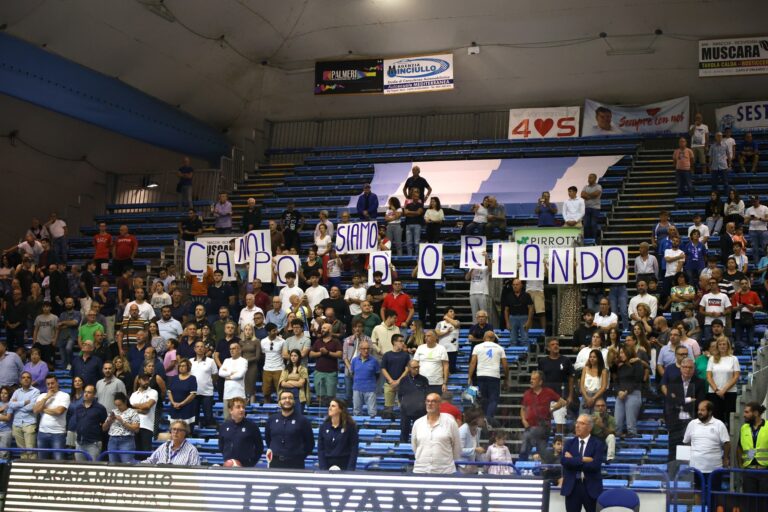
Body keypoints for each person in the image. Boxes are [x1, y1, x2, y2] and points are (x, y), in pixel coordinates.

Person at [665, 357, 707, 461]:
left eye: (690, 367)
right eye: (685, 367)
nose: (687, 370)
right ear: (681, 368)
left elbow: (699, 403)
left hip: (693, 421)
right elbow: (671, 403)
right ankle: (673, 475)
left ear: (694, 369)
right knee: (674, 452)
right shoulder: (673, 382)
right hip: (676, 422)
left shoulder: (700, 383)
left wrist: (679, 401)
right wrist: (689, 400)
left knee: (691, 452)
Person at [683, 400, 731, 492]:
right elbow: (686, 442)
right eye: (698, 410)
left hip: (714, 468)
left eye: (702, 410)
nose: (699, 412)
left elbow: (727, 443)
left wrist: (725, 459)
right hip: (696, 468)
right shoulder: (692, 424)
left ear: (710, 412)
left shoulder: (719, 424)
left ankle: (712, 507)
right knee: (697, 493)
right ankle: (699, 507)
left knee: (715, 494)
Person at [561, 414, 605, 512]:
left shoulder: (598, 444)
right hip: (572, 488)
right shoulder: (569, 443)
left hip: (591, 487)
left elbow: (595, 466)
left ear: (589, 428)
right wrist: (583, 459)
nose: (577, 425)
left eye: (582, 423)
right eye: (577, 422)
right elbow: (564, 461)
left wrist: (573, 460)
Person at [520, 370, 566, 460]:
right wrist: (523, 420)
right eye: (531, 379)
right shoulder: (527, 394)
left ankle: (527, 463)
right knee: (534, 450)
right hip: (530, 427)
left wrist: (552, 409)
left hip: (543, 428)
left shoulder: (548, 392)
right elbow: (523, 409)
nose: (531, 381)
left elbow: (563, 402)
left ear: (540, 382)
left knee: (527, 448)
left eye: (534, 379)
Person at [411, 393, 461, 474]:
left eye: (433, 401)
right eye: (428, 401)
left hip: (445, 471)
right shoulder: (418, 423)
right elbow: (414, 446)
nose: (430, 404)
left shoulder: (450, 423)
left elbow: (457, 447)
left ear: (439, 404)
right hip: (420, 470)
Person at [265, 390, 314, 469]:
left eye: (290, 398)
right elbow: (268, 440)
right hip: (275, 462)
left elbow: (310, 443)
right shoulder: (272, 420)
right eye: (284, 398)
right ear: (279, 402)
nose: (287, 400)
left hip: (296, 463)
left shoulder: (303, 421)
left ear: (294, 401)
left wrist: (299, 456)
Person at [468, 331, 508, 422]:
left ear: (483, 338)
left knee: (483, 399)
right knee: (493, 399)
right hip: (494, 376)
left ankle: (484, 419)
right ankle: (488, 418)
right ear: (494, 338)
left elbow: (473, 362)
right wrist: (506, 378)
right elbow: (505, 365)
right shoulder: (500, 348)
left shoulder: (477, 347)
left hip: (481, 376)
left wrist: (469, 376)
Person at [32, 375, 70, 460]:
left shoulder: (64, 395)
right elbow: (35, 410)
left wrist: (43, 409)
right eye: (48, 384)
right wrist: (46, 398)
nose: (50, 386)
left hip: (58, 433)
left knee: (58, 459)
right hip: (42, 433)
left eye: (52, 383)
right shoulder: (42, 396)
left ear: (57, 383)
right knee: (42, 460)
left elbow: (59, 411)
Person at [218, 397, 263, 467]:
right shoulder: (224, 426)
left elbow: (259, 447)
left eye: (243, 407)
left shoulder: (252, 426)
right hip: (228, 466)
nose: (242, 410)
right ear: (230, 410)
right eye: (238, 407)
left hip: (246, 466)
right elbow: (221, 446)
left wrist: (252, 462)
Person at [706, 336, 740, 426]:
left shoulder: (733, 359)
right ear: (717, 346)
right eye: (720, 344)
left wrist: (724, 390)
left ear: (728, 345)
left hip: (730, 392)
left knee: (730, 418)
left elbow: (736, 376)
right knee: (716, 418)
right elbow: (709, 377)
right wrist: (717, 390)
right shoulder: (712, 359)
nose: (722, 346)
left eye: (724, 344)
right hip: (714, 392)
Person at [317, 398, 359, 470]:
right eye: (329, 406)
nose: (330, 408)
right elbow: (321, 449)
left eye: (333, 406)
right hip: (327, 465)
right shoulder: (324, 427)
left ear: (340, 409)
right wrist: (323, 468)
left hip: (344, 465)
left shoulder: (350, 427)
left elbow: (354, 449)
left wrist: (350, 469)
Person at [737, 401, 768, 496]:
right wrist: (741, 466)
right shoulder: (744, 428)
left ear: (755, 413)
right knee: (750, 502)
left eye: (747, 412)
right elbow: (739, 448)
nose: (744, 415)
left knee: (764, 503)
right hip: (748, 471)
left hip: (765, 471)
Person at [614, 346, 644, 438]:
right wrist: (619, 391)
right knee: (617, 424)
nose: (621, 354)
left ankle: (633, 446)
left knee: (631, 425)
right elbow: (616, 381)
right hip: (621, 395)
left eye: (623, 352)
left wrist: (626, 391)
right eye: (620, 352)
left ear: (628, 352)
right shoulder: (619, 366)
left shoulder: (637, 363)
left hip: (633, 393)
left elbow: (637, 380)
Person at [8, 372, 40, 459]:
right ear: (20, 380)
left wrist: (17, 405)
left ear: (31, 380)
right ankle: (24, 470)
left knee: (31, 450)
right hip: (17, 424)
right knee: (22, 451)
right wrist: (24, 402)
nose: (26, 379)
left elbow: (31, 407)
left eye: (28, 377)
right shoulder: (16, 392)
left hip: (29, 423)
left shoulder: (36, 391)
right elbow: (10, 404)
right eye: (23, 377)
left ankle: (33, 470)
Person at [102, 391, 140, 463]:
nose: (118, 407)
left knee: (126, 464)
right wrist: (109, 420)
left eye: (120, 405)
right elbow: (104, 428)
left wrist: (122, 421)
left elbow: (136, 429)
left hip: (126, 441)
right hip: (112, 440)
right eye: (116, 405)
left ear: (125, 402)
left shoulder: (133, 412)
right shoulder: (113, 412)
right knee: (112, 464)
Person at [73, 384, 107, 461]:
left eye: (89, 392)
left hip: (93, 444)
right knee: (79, 469)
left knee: (93, 468)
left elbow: (104, 425)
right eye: (85, 392)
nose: (86, 394)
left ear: (94, 394)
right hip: (79, 443)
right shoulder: (79, 408)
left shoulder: (100, 408)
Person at [380, 335, 410, 419]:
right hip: (389, 384)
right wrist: (391, 381)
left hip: (402, 384)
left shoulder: (405, 355)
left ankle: (403, 424)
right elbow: (383, 369)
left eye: (403, 341)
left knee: (403, 406)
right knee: (388, 407)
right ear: (394, 342)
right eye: (400, 341)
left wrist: (398, 381)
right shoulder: (387, 355)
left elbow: (407, 369)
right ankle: (387, 426)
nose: (402, 343)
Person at [130, 373, 158, 456]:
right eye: (144, 379)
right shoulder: (133, 394)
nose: (146, 381)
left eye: (147, 379)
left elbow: (148, 406)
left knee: (146, 453)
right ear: (139, 381)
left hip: (147, 426)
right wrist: (142, 409)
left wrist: (134, 406)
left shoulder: (153, 392)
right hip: (134, 426)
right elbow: (129, 409)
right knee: (135, 453)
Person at [413, 330, 449, 395]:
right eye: (425, 336)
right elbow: (414, 364)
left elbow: (445, 366)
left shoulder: (441, 348)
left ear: (435, 337)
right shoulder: (420, 348)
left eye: (428, 336)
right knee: (421, 404)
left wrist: (445, 383)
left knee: (436, 404)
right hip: (421, 382)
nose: (426, 338)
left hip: (437, 383)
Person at [218, 341, 247, 421]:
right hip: (227, 394)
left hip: (239, 394)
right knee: (227, 419)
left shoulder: (243, 361)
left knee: (239, 419)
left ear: (239, 350)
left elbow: (240, 375)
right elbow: (220, 373)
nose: (231, 350)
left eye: (234, 348)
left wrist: (228, 375)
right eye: (230, 349)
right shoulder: (226, 360)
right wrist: (232, 372)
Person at [350, 341, 380, 418]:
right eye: (364, 349)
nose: (366, 351)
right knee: (356, 411)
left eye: (367, 349)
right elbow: (353, 373)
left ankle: (372, 429)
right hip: (357, 388)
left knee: (372, 412)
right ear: (360, 349)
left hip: (370, 389)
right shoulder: (354, 360)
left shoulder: (374, 361)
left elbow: (377, 374)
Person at [502, 278, 534, 346]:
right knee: (513, 339)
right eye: (513, 285)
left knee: (525, 338)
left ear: (521, 285)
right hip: (512, 318)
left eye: (517, 284)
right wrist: (507, 322)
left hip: (524, 317)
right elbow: (506, 310)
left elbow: (531, 308)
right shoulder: (508, 296)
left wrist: (529, 321)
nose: (515, 286)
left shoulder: (526, 295)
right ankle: (514, 354)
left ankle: (525, 355)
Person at [458, 408, 486, 473]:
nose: (484, 419)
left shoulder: (478, 430)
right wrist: (475, 450)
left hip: (472, 465)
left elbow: (477, 448)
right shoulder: (463, 430)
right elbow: (459, 451)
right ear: (475, 419)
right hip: (462, 466)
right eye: (482, 417)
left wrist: (482, 464)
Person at [591, 398, 616, 462]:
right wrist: (590, 424)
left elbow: (612, 432)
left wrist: (602, 426)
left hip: (605, 438)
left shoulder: (611, 418)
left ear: (605, 407)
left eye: (602, 406)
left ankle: (610, 458)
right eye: (598, 406)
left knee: (611, 437)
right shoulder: (590, 418)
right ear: (594, 408)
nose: (600, 408)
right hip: (593, 439)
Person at [746, 194, 768, 265]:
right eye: (752, 201)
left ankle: (766, 264)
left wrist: (759, 218)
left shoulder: (765, 208)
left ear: (758, 200)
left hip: (763, 230)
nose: (753, 203)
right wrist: (750, 218)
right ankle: (757, 264)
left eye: (755, 201)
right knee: (754, 249)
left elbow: (767, 219)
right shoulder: (749, 209)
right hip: (752, 230)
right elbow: (745, 221)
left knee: (765, 248)